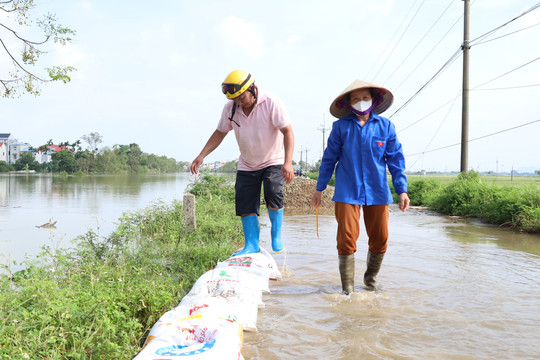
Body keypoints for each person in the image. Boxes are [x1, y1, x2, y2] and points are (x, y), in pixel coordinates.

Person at [311, 80, 410, 294]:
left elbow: (395, 160)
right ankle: (348, 289)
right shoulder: (340, 128)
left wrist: (402, 190)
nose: (361, 102)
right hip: (348, 190)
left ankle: (370, 280)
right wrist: (319, 188)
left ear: (374, 100)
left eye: (365, 98)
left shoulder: (385, 127)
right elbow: (329, 159)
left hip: (378, 191)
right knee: (346, 238)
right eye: (355, 99)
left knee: (381, 238)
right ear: (348, 103)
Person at [190, 70, 295, 256]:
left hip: (273, 159)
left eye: (241, 97)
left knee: (273, 192)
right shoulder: (230, 108)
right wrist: (202, 155)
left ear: (252, 89)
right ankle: (252, 244)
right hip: (247, 163)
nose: (239, 102)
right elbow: (220, 132)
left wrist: (288, 162)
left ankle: (276, 235)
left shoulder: (271, 102)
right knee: (245, 202)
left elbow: (288, 131)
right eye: (235, 99)